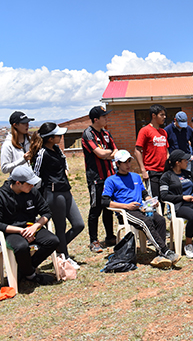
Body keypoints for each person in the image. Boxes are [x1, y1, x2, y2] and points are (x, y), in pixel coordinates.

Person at [101, 150, 180, 268]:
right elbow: (105, 202)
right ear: (117, 164)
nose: (128, 164)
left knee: (160, 220)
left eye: (129, 161)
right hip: (126, 211)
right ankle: (165, 251)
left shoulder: (135, 177)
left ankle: (160, 255)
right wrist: (126, 206)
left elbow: (144, 194)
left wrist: (151, 201)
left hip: (142, 209)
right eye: (124, 162)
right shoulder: (111, 180)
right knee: (146, 222)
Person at [31, 123, 84, 269]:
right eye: (58, 135)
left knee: (79, 224)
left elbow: (64, 162)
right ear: (50, 138)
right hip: (53, 194)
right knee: (60, 227)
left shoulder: (56, 149)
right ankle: (65, 258)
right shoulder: (42, 153)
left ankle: (59, 247)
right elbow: (35, 175)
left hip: (66, 190)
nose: (61, 137)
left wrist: (66, 172)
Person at [0, 165, 60, 285]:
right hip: (12, 231)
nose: (32, 186)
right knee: (21, 246)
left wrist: (34, 227)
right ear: (18, 183)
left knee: (53, 241)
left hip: (32, 227)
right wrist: (20, 231)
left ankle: (25, 270)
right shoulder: (2, 196)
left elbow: (46, 213)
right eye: (29, 184)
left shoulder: (32, 192)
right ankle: (31, 275)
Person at [82, 106, 118, 253]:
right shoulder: (88, 134)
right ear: (96, 119)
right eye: (104, 116)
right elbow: (99, 153)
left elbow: (114, 151)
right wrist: (106, 153)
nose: (106, 118)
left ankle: (110, 236)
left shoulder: (106, 133)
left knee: (108, 207)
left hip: (109, 176)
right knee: (95, 209)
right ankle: (94, 240)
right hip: (96, 178)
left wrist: (107, 153)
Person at [135, 104, 169, 202]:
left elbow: (166, 151)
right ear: (154, 115)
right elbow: (137, 150)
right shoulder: (144, 131)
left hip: (164, 171)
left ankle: (163, 216)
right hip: (151, 171)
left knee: (164, 197)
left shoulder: (163, 132)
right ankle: (154, 217)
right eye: (161, 115)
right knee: (154, 200)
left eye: (164, 115)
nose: (164, 117)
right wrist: (143, 170)